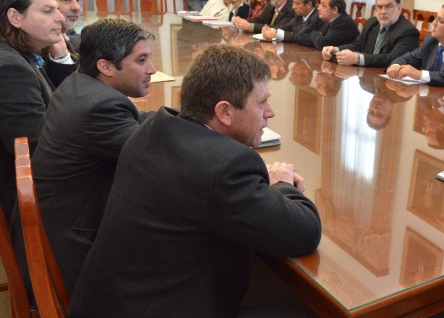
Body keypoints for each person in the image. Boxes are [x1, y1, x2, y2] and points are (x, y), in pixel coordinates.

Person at [69, 46, 322, 317]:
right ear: (224, 112)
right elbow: (304, 232)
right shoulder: (224, 168)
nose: (270, 112)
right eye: (261, 103)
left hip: (108, 302)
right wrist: (281, 183)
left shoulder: (154, 128)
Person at [11, 18, 156, 297]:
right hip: (72, 254)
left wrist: (195, 119)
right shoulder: (100, 106)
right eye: (142, 61)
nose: (151, 69)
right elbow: (157, 160)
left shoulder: (81, 84)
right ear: (106, 66)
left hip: (59, 229)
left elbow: (138, 122)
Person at [0, 0, 65, 221]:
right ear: (15, 17)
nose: (60, 17)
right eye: (48, 11)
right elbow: (35, 149)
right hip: (29, 207)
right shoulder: (9, 69)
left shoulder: (20, 55)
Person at [322, 0, 419, 68]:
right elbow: (358, 45)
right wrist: (335, 49)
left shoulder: (408, 31)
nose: (383, 11)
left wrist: (358, 59)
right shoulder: (372, 23)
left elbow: (393, 59)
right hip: (367, 77)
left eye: (388, 6)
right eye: (379, 7)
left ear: (398, 9)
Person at [35, 0, 81, 87]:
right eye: (66, 0)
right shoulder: (38, 48)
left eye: (77, 0)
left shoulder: (71, 38)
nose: (76, 7)